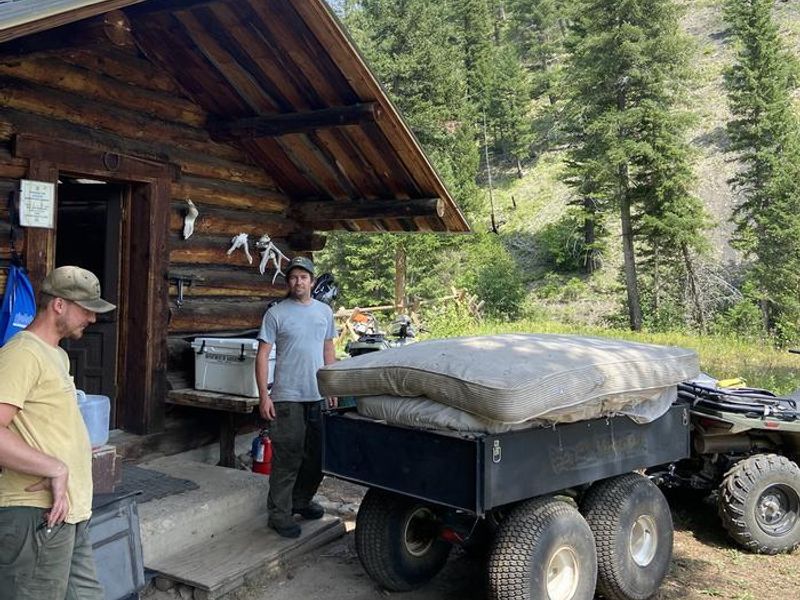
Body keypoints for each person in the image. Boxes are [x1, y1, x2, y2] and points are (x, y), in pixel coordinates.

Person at [0, 266, 116, 600]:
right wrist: (56, 466)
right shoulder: (22, 353)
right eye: (86, 310)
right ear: (59, 305)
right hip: (36, 512)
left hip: (70, 512)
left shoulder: (57, 355)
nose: (92, 319)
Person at [255, 256, 337, 538]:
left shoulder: (325, 312)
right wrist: (264, 396)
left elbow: (328, 350)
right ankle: (279, 514)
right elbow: (263, 355)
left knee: (316, 456)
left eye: (303, 277)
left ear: (312, 282)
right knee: (288, 457)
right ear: (288, 282)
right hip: (286, 396)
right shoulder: (276, 313)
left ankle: (301, 500)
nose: (298, 281)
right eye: (293, 277)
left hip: (317, 394)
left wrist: (332, 387)